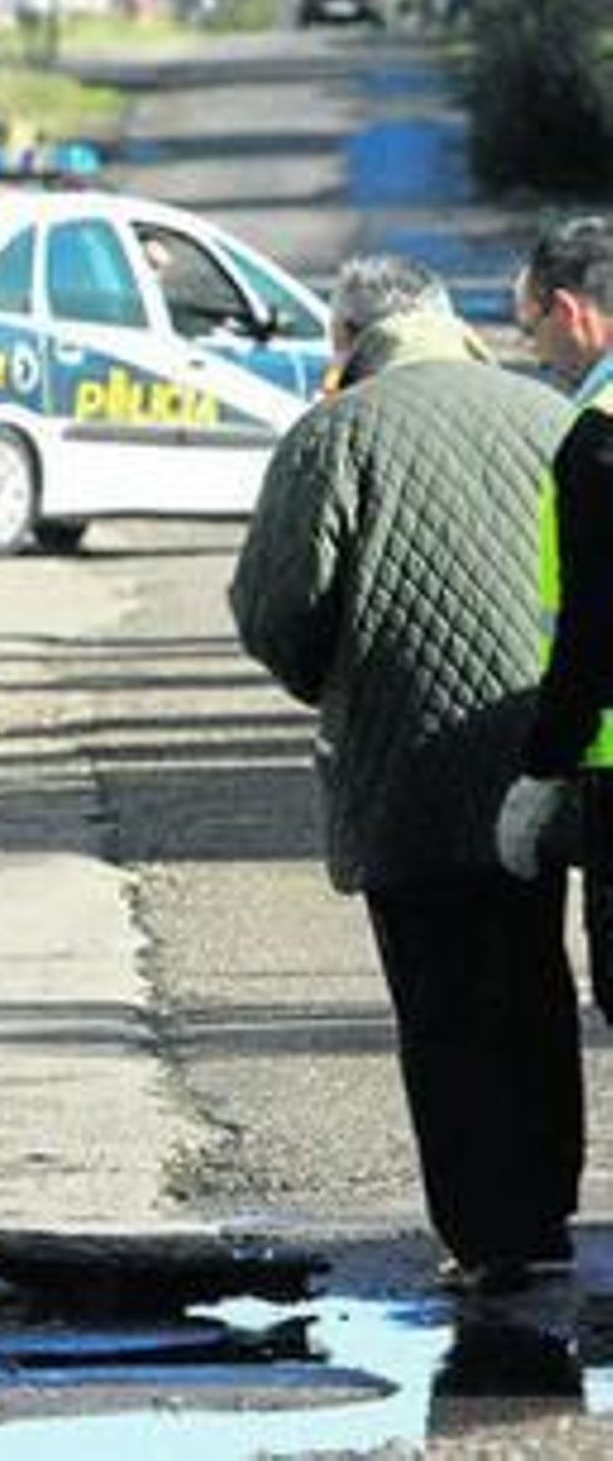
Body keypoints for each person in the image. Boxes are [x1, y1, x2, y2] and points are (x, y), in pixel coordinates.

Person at [229, 253, 582, 1295]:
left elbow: (276, 610)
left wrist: (334, 683)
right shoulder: (548, 416)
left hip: (401, 768)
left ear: (349, 336)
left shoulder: (332, 435)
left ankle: (483, 1233)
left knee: (438, 998)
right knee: (531, 977)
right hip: (536, 753)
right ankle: (543, 1213)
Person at [497, 217, 613, 1030]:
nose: (534, 351)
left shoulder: (597, 435)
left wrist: (542, 767)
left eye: (531, 327)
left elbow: (594, 623)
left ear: (571, 311)